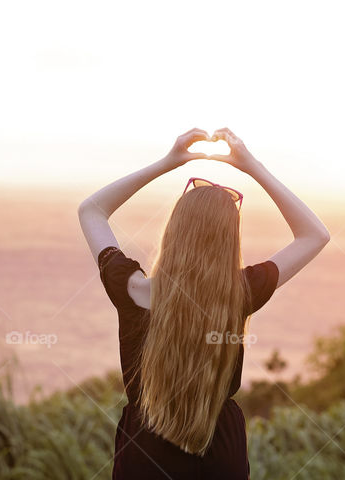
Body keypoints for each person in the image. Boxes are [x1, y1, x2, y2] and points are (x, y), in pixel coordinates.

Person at [78, 127, 330, 479]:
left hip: (144, 452)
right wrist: (252, 166)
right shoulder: (240, 293)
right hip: (218, 449)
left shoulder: (131, 288)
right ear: (230, 239)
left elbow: (91, 210)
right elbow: (315, 234)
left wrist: (168, 162)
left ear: (174, 230)